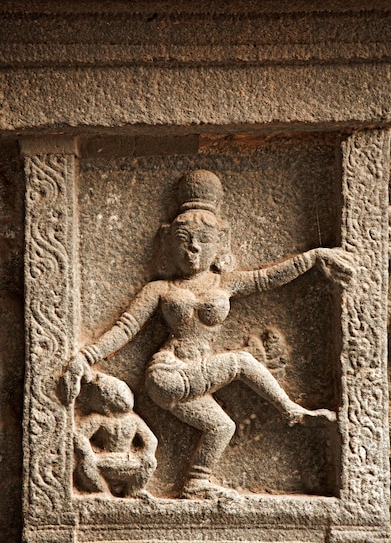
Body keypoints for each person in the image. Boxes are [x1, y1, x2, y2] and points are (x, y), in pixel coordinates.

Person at [64, 169, 354, 500]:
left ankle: (196, 482)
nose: (193, 251)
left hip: (196, 375)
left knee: (221, 427)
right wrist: (85, 358)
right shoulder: (160, 289)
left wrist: (312, 258)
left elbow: (268, 277)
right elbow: (126, 328)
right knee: (241, 361)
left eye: (203, 242)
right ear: (167, 243)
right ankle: (290, 410)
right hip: (168, 372)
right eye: (183, 242)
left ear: (220, 244)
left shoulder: (224, 284)